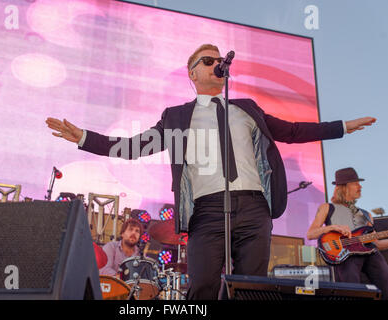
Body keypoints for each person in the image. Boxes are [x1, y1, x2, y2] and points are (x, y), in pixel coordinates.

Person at [46, 44, 376, 300]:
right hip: (206, 211)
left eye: (218, 59)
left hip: (254, 208)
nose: (216, 63)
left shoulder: (246, 108)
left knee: (251, 287)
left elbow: (290, 131)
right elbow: (134, 146)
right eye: (207, 60)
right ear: (192, 73)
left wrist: (342, 127)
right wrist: (85, 138)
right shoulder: (176, 116)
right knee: (202, 286)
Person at [307, 167, 388, 299]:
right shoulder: (327, 207)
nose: (360, 186)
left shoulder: (366, 214)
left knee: (385, 282)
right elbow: (311, 234)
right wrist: (332, 227)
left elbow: (377, 243)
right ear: (344, 187)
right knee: (351, 291)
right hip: (345, 254)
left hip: (370, 252)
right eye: (355, 183)